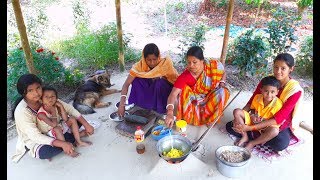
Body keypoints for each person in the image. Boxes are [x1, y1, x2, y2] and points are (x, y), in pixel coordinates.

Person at [226, 53, 304, 152]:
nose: (278, 71)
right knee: (231, 126)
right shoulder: (266, 81)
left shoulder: (294, 91)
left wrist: (249, 128)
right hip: (258, 116)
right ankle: (252, 136)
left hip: (275, 123)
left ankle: (253, 141)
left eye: (283, 68)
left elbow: (278, 119)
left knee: (280, 144)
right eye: (276, 67)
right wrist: (241, 119)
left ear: (291, 69)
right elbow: (251, 103)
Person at [11, 74, 94, 162]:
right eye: (30, 90)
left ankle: (71, 139)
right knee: (46, 152)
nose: (36, 93)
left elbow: (69, 109)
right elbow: (35, 136)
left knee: (76, 120)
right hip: (39, 139)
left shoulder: (44, 96)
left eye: (38, 88)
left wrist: (86, 124)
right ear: (23, 93)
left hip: (56, 129)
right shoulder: (22, 111)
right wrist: (63, 144)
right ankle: (74, 137)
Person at [165, 46, 230, 128]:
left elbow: (223, 72)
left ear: (202, 61)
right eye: (188, 62)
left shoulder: (213, 65)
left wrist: (222, 82)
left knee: (223, 92)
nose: (191, 65)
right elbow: (173, 94)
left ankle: (212, 118)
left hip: (210, 95)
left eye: (194, 62)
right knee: (183, 90)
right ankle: (195, 116)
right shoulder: (185, 76)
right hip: (195, 100)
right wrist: (170, 112)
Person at [117, 43, 179, 116]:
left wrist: (161, 77)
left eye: (154, 59)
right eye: (149, 60)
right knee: (136, 80)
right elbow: (126, 84)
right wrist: (121, 104)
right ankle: (144, 104)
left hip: (162, 89)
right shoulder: (138, 67)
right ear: (144, 58)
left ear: (158, 57)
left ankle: (160, 107)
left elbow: (175, 81)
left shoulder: (164, 64)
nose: (152, 63)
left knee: (159, 82)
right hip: (149, 88)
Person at [232, 76, 283, 149]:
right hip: (254, 121)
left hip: (266, 126)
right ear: (261, 90)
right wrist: (253, 115)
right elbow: (252, 109)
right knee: (237, 111)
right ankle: (245, 135)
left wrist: (262, 121)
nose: (269, 95)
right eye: (266, 91)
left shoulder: (278, 104)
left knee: (274, 131)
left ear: (277, 92)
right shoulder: (257, 97)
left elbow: (275, 121)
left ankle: (252, 143)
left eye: (272, 92)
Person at [37, 86, 92, 153]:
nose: (50, 98)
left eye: (53, 96)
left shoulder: (56, 106)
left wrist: (61, 107)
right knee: (57, 129)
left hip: (59, 126)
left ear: (56, 98)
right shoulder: (41, 114)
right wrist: (53, 112)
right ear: (41, 100)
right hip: (49, 133)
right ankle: (68, 150)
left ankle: (79, 142)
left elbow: (65, 119)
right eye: (46, 97)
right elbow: (54, 125)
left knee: (72, 119)